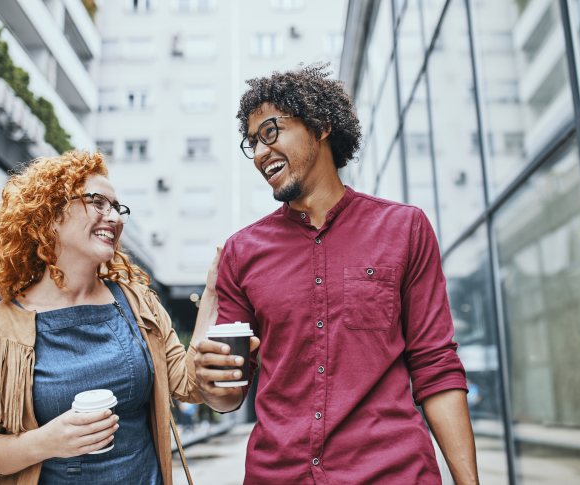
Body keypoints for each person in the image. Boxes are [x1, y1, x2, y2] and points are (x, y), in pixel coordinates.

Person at [194, 64, 479, 484]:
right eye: (251, 142)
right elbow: (228, 396)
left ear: (322, 125)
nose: (258, 152)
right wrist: (210, 383)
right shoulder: (242, 252)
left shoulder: (404, 229)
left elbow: (435, 365)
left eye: (270, 132)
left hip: (393, 473)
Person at [0, 151, 219, 485]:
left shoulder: (138, 304)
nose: (114, 217)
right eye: (98, 202)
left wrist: (213, 293)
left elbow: (190, 385)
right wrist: (45, 442)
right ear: (51, 214)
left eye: (117, 207)